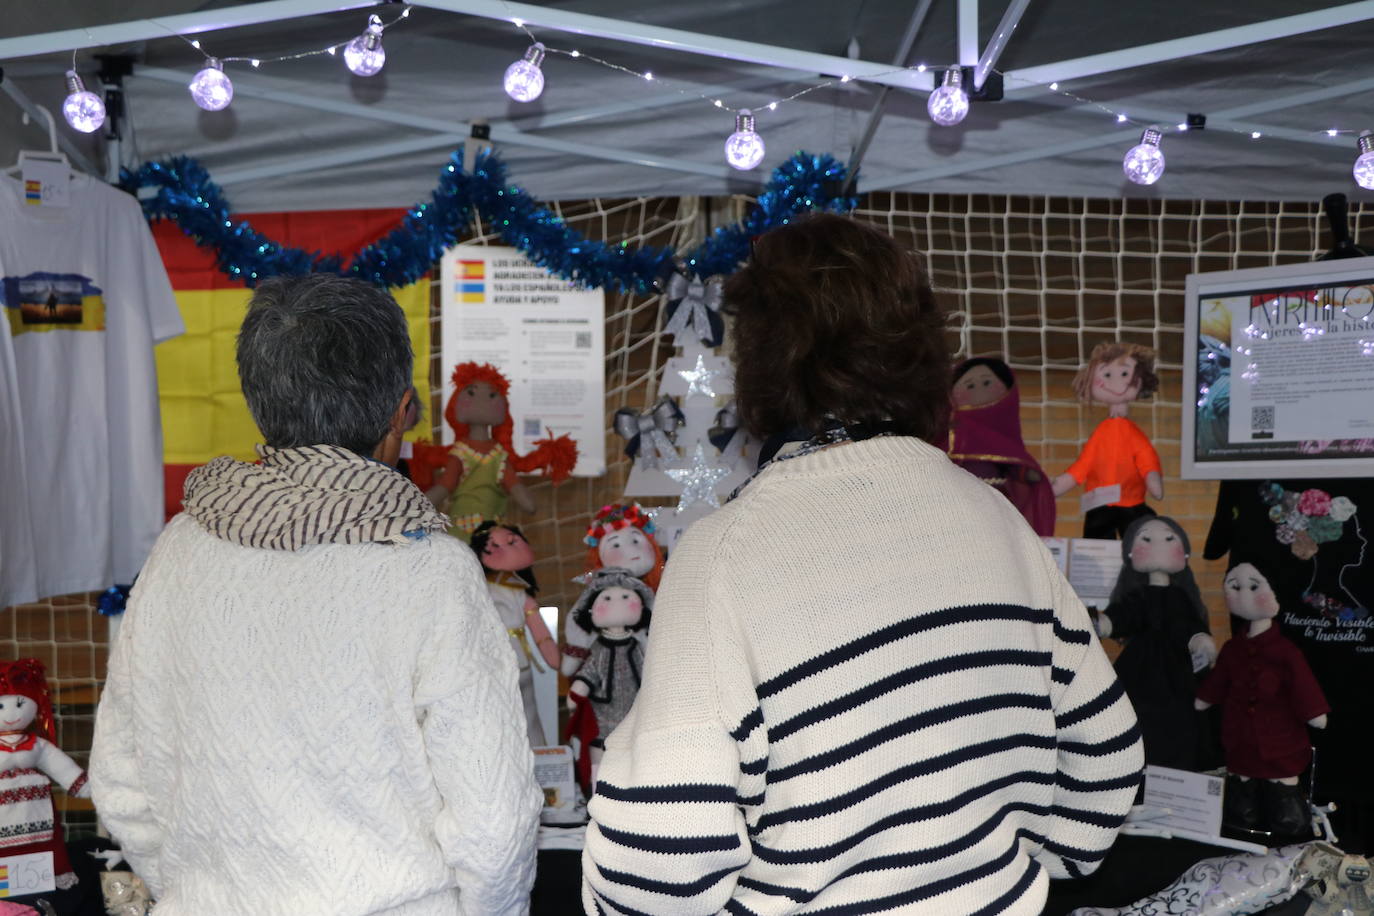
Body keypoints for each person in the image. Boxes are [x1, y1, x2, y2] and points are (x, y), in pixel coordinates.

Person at [582, 214, 1144, 915]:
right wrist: (1015, 871)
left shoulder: (722, 552)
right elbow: (1110, 755)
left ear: (758, 361)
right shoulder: (995, 516)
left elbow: (658, 862)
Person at [89, 274, 541, 916]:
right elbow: (493, 817)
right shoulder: (430, 568)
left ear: (257, 401)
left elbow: (119, 777)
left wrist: (198, 889)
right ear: (400, 412)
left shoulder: (180, 548)